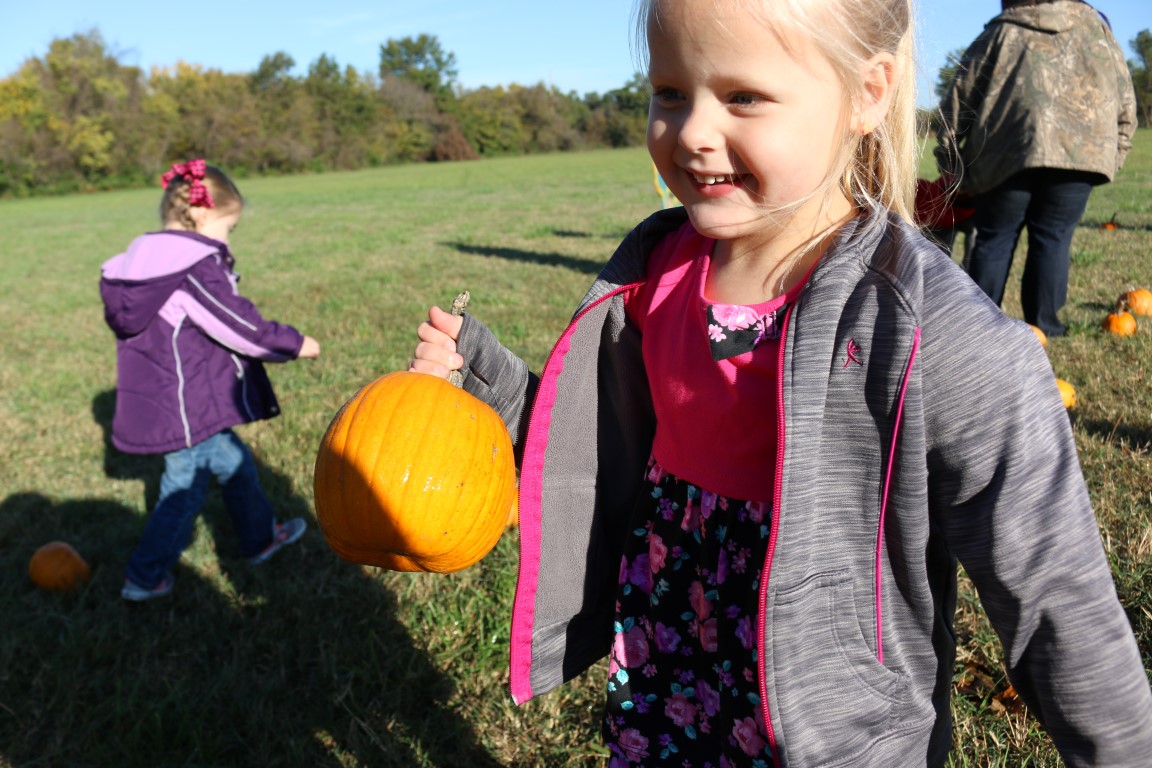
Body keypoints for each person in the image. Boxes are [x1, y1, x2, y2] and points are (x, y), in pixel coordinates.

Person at [411, 0, 1152, 764]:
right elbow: (601, 448)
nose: (692, 132)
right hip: (670, 672)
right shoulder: (657, 275)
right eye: (670, 93)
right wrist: (491, 385)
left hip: (834, 732)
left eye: (742, 96)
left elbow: (1056, 600)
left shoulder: (930, 332)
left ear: (867, 93)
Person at [100, 159, 320, 602]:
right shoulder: (193, 266)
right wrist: (295, 344)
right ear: (202, 213)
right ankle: (145, 576)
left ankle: (260, 537)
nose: (227, 240)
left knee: (235, 464)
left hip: (172, 401)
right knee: (183, 489)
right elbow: (239, 326)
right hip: (186, 408)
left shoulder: (138, 260)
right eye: (228, 229)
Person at [935, 0, 1137, 337]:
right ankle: (1045, 327)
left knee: (994, 238)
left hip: (1004, 154)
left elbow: (957, 102)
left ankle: (977, 329)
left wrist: (952, 166)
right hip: (1082, 156)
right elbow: (1126, 102)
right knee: (1054, 237)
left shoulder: (1001, 32)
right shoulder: (1096, 29)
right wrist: (1113, 156)